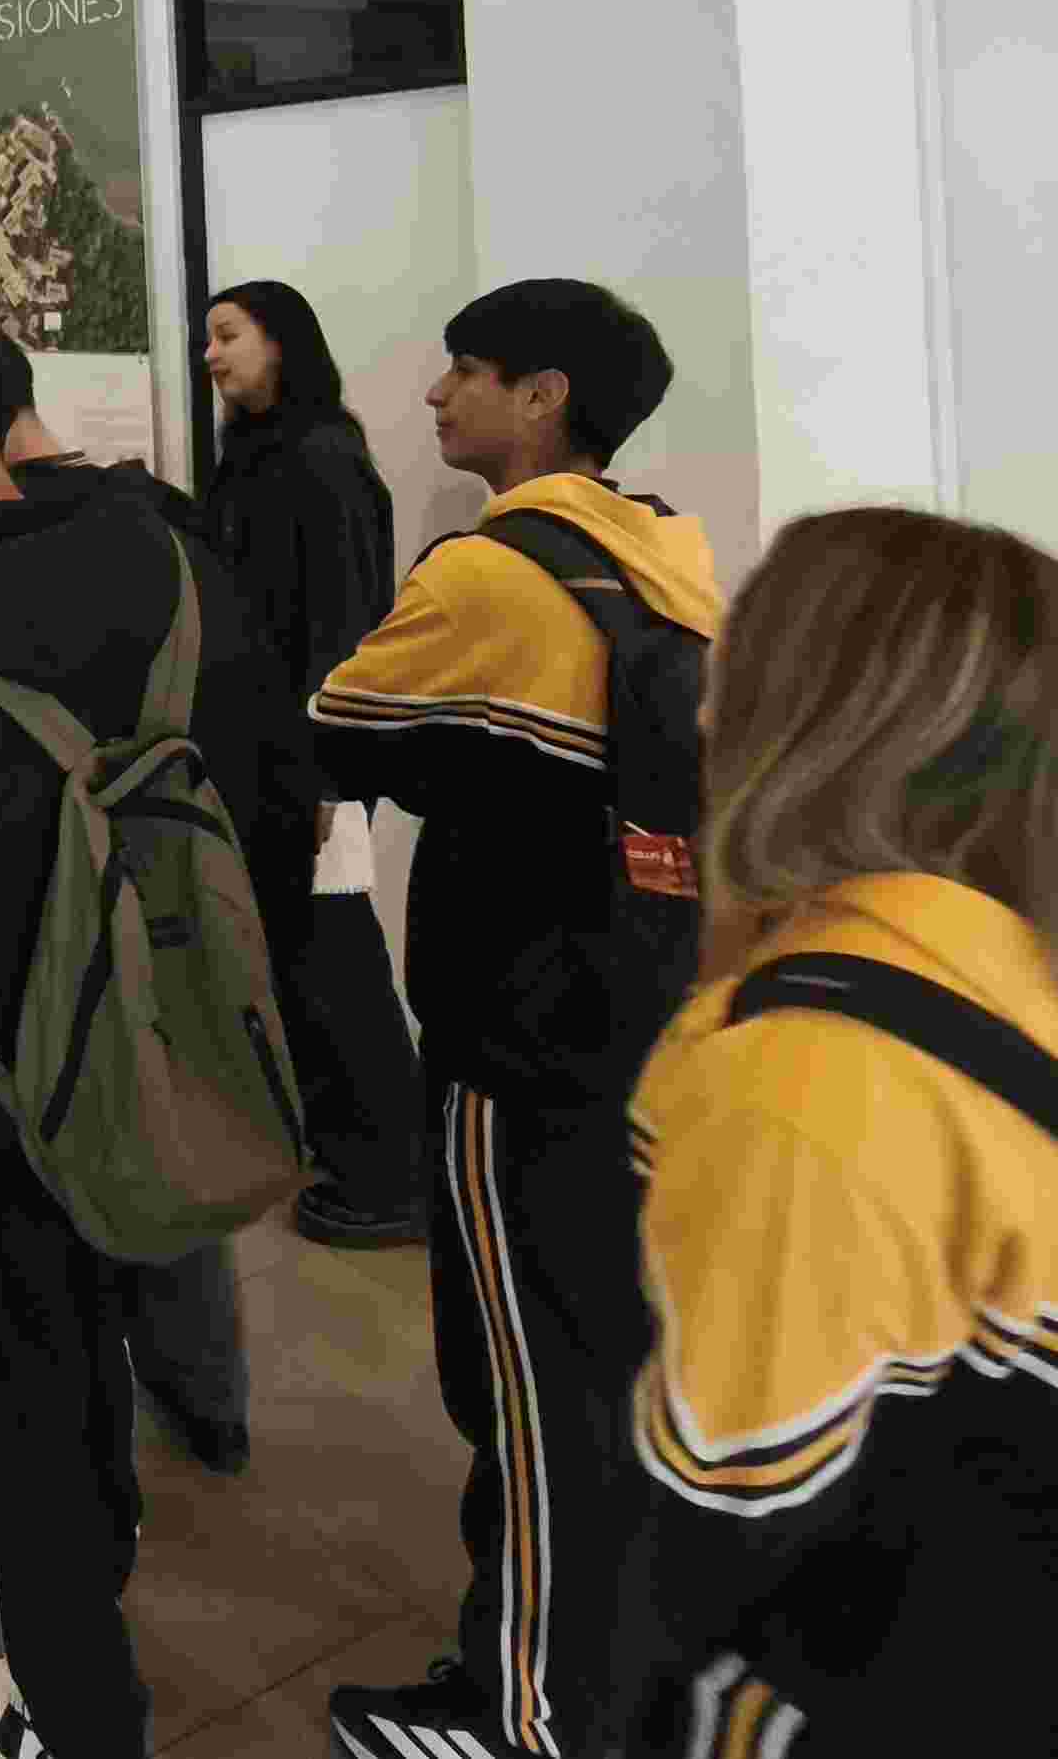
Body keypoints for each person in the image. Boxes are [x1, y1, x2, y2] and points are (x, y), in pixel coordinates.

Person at [611, 507, 1058, 1758]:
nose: (702, 715)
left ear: (816, 722)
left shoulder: (801, 1077)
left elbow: (718, 1522)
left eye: (734, 673)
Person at [0, 317, 316, 1759]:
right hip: (181, 1020)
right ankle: (115, 1513)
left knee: (30, 1374)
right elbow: (276, 779)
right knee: (144, 1265)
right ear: (10, 415)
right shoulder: (164, 555)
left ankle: (76, 1703)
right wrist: (241, 973)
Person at [311, 279, 723, 1759]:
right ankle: (617, 1669)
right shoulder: (667, 549)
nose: (435, 396)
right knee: (603, 1359)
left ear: (541, 395)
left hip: (514, 1039)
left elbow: (336, 726)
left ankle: (525, 1713)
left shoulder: (486, 575)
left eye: (465, 371)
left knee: (523, 1384)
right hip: (645, 1015)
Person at [0, 328, 286, 1525]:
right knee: (174, 1134)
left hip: (32, 940)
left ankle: (74, 1479)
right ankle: (206, 1400)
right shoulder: (163, 527)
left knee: (56, 1196)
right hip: (180, 901)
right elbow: (256, 730)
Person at [200, 282, 425, 1249]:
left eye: (228, 335)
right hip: (265, 762)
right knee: (305, 956)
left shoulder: (325, 461)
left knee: (337, 959)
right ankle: (350, 1146)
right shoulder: (255, 459)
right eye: (207, 339)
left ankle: (393, 1170)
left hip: (315, 767)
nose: (211, 355)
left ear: (282, 343)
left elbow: (343, 626)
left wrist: (329, 776)